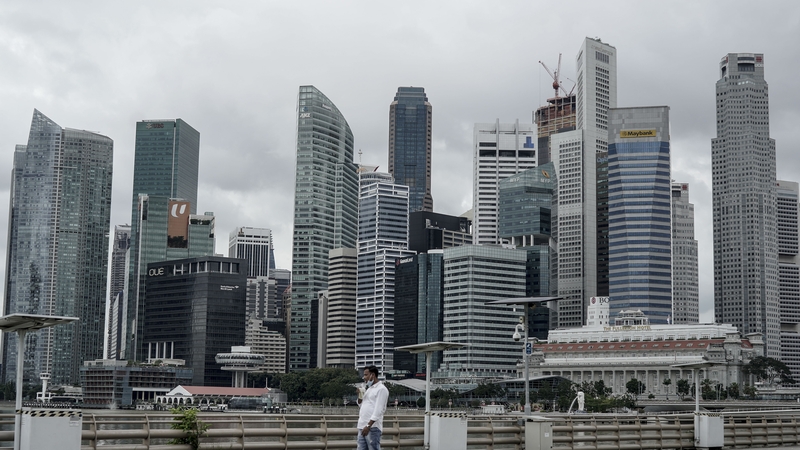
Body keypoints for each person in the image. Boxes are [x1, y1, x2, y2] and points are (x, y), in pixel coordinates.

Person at [357, 365, 388, 450]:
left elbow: (379, 410)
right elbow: (361, 405)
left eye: (366, 375)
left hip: (372, 427)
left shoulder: (381, 389)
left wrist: (368, 425)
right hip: (362, 426)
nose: (364, 377)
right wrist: (359, 395)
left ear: (372, 375)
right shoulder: (369, 389)